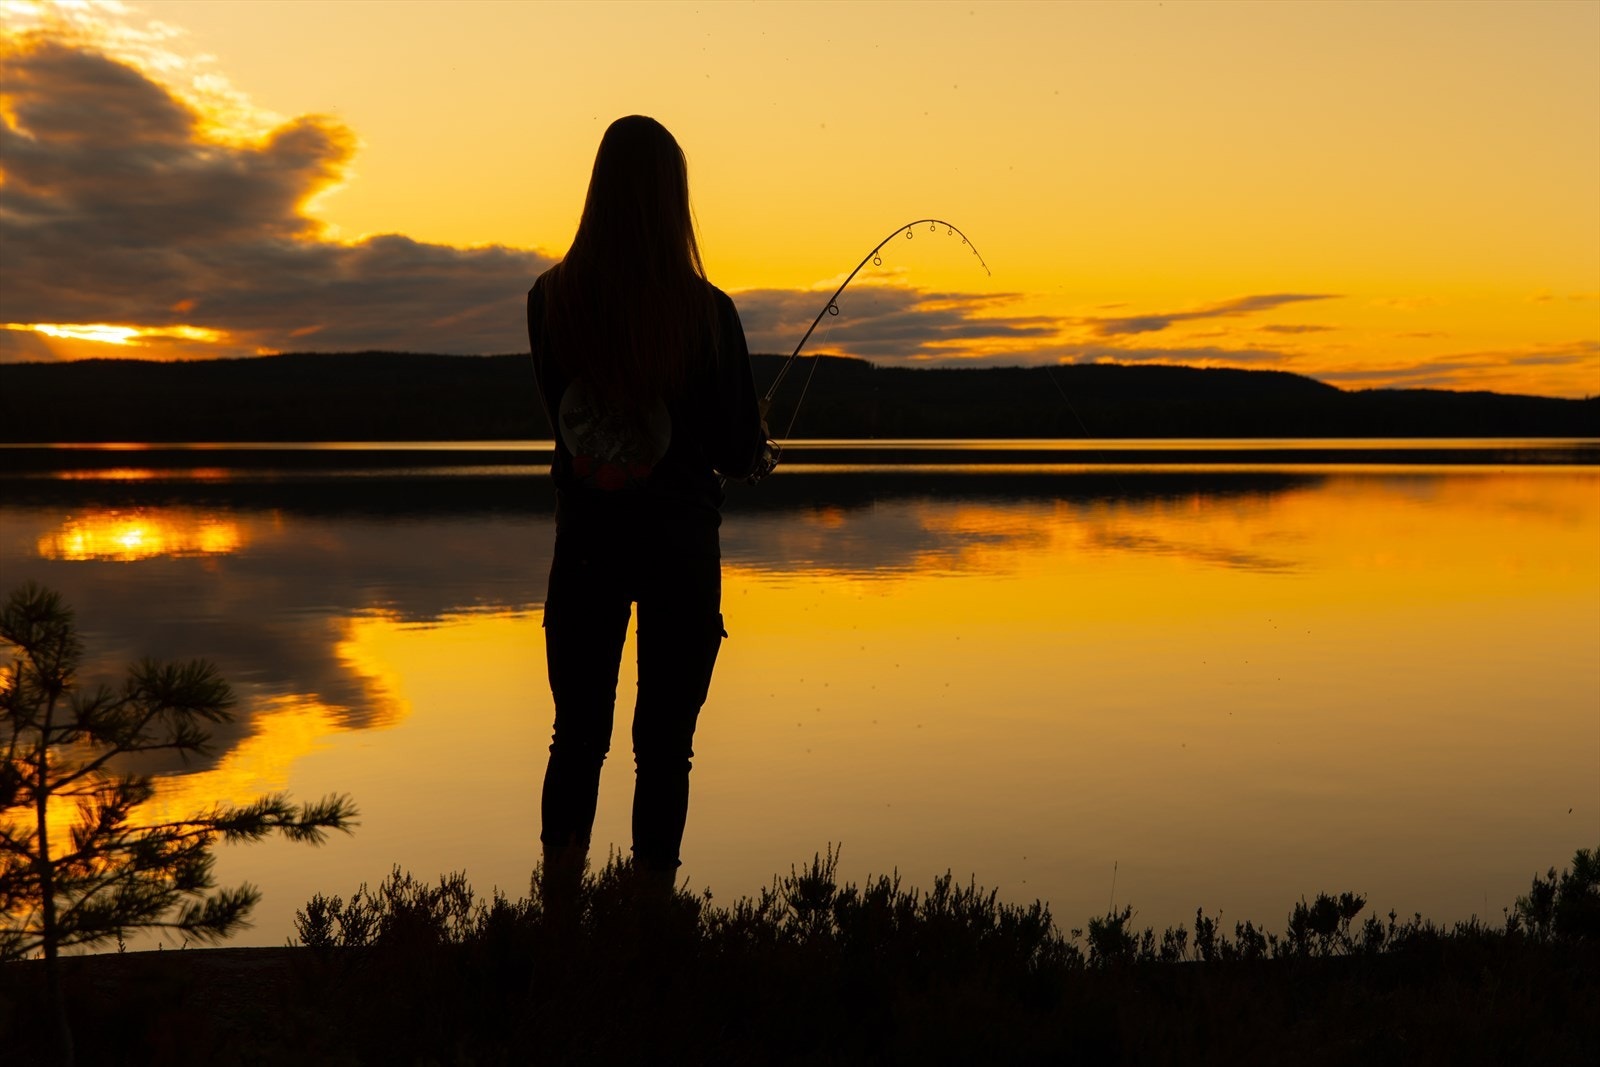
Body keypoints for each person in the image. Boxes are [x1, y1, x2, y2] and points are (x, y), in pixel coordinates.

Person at [527, 116, 768, 913]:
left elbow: (571, 419)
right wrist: (758, 452)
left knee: (577, 739)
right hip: (679, 552)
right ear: (674, 200)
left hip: (587, 546)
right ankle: (649, 922)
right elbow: (735, 450)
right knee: (665, 750)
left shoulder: (549, 302)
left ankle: (556, 917)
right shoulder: (708, 314)